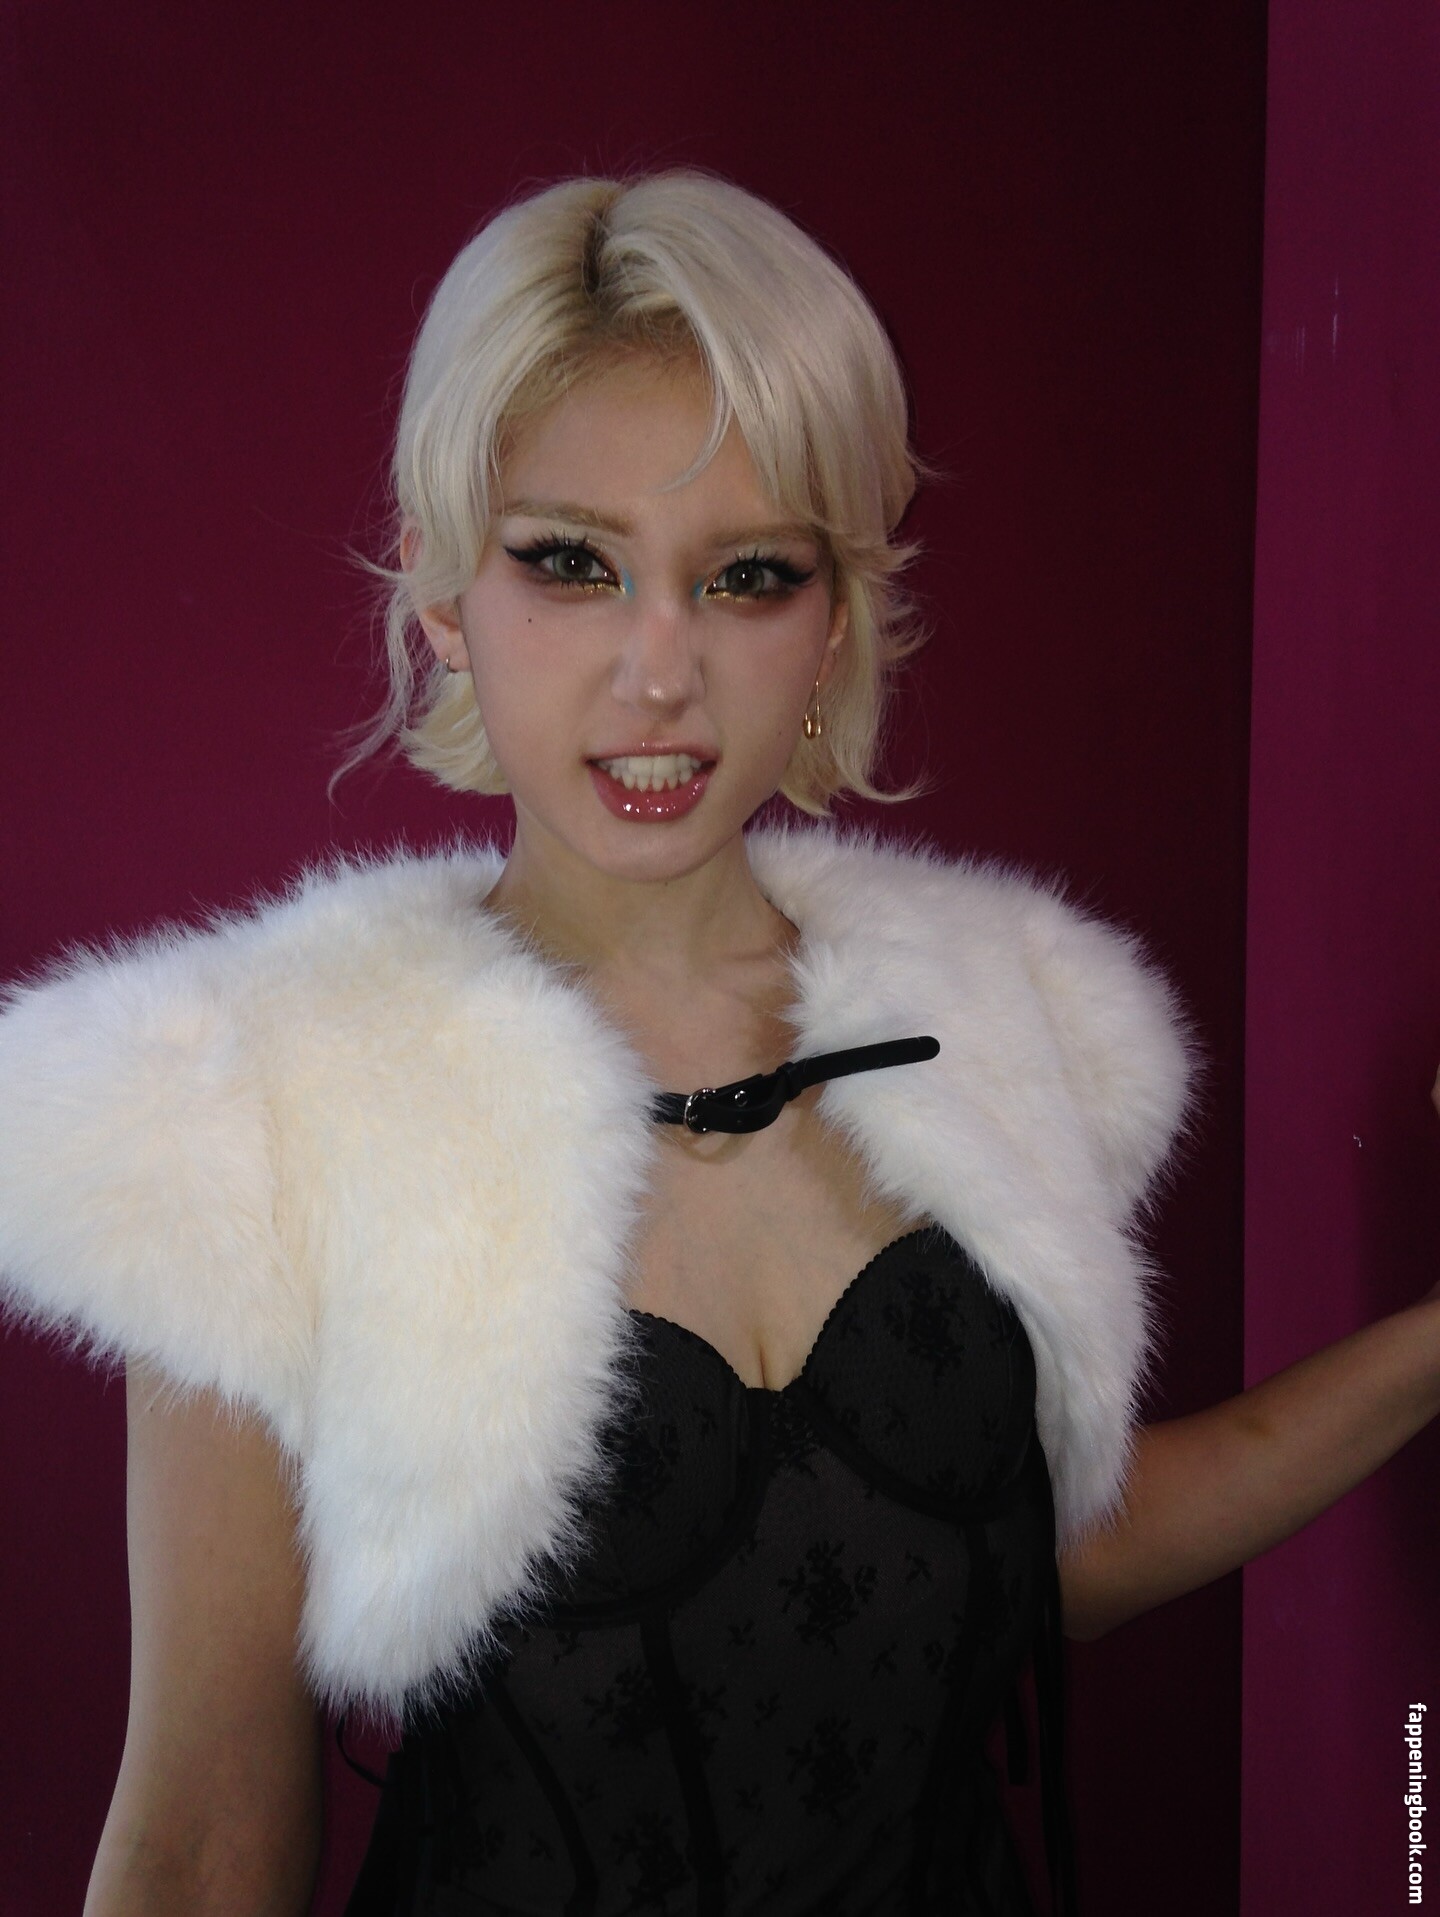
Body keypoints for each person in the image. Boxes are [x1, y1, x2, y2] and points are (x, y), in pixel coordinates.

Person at [0, 169, 1436, 1917]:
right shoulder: (246, 1107)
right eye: (571, 562)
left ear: (832, 622)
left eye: (748, 575)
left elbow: (1048, 1542)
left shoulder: (1002, 1015)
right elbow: (203, 1838)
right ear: (444, 594)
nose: (659, 670)